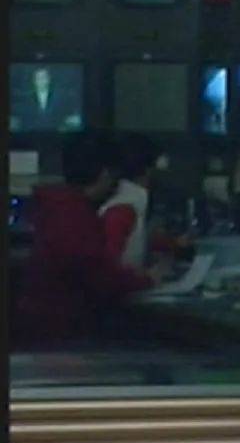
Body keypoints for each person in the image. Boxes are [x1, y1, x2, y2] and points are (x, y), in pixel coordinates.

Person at [13, 131, 162, 348]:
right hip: (64, 332)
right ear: (105, 174)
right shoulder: (75, 216)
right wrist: (146, 280)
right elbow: (98, 275)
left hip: (45, 326)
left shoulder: (57, 207)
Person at [100, 132, 193, 271]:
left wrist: (172, 243)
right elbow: (107, 268)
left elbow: (138, 240)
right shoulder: (123, 208)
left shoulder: (130, 200)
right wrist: (147, 279)